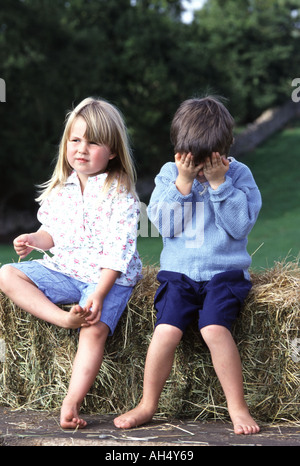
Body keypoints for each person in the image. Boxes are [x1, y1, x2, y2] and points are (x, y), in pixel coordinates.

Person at [114, 96, 262, 435]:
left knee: (213, 328)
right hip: (179, 275)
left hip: (224, 275)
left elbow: (240, 226)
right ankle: (147, 404)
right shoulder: (170, 174)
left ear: (225, 149)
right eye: (193, 160)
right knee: (165, 331)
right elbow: (163, 225)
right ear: (180, 151)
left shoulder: (239, 175)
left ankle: (237, 407)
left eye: (209, 159)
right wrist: (182, 183)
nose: (200, 168)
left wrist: (218, 184)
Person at [0, 97, 142, 429]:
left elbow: (116, 256)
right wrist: (34, 240)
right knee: (6, 274)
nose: (81, 148)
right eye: (75, 140)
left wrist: (98, 294)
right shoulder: (60, 189)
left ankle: (71, 402)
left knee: (93, 329)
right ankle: (64, 320)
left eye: (93, 142)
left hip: (107, 277)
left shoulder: (119, 194)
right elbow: (52, 232)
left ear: (112, 151)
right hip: (65, 269)